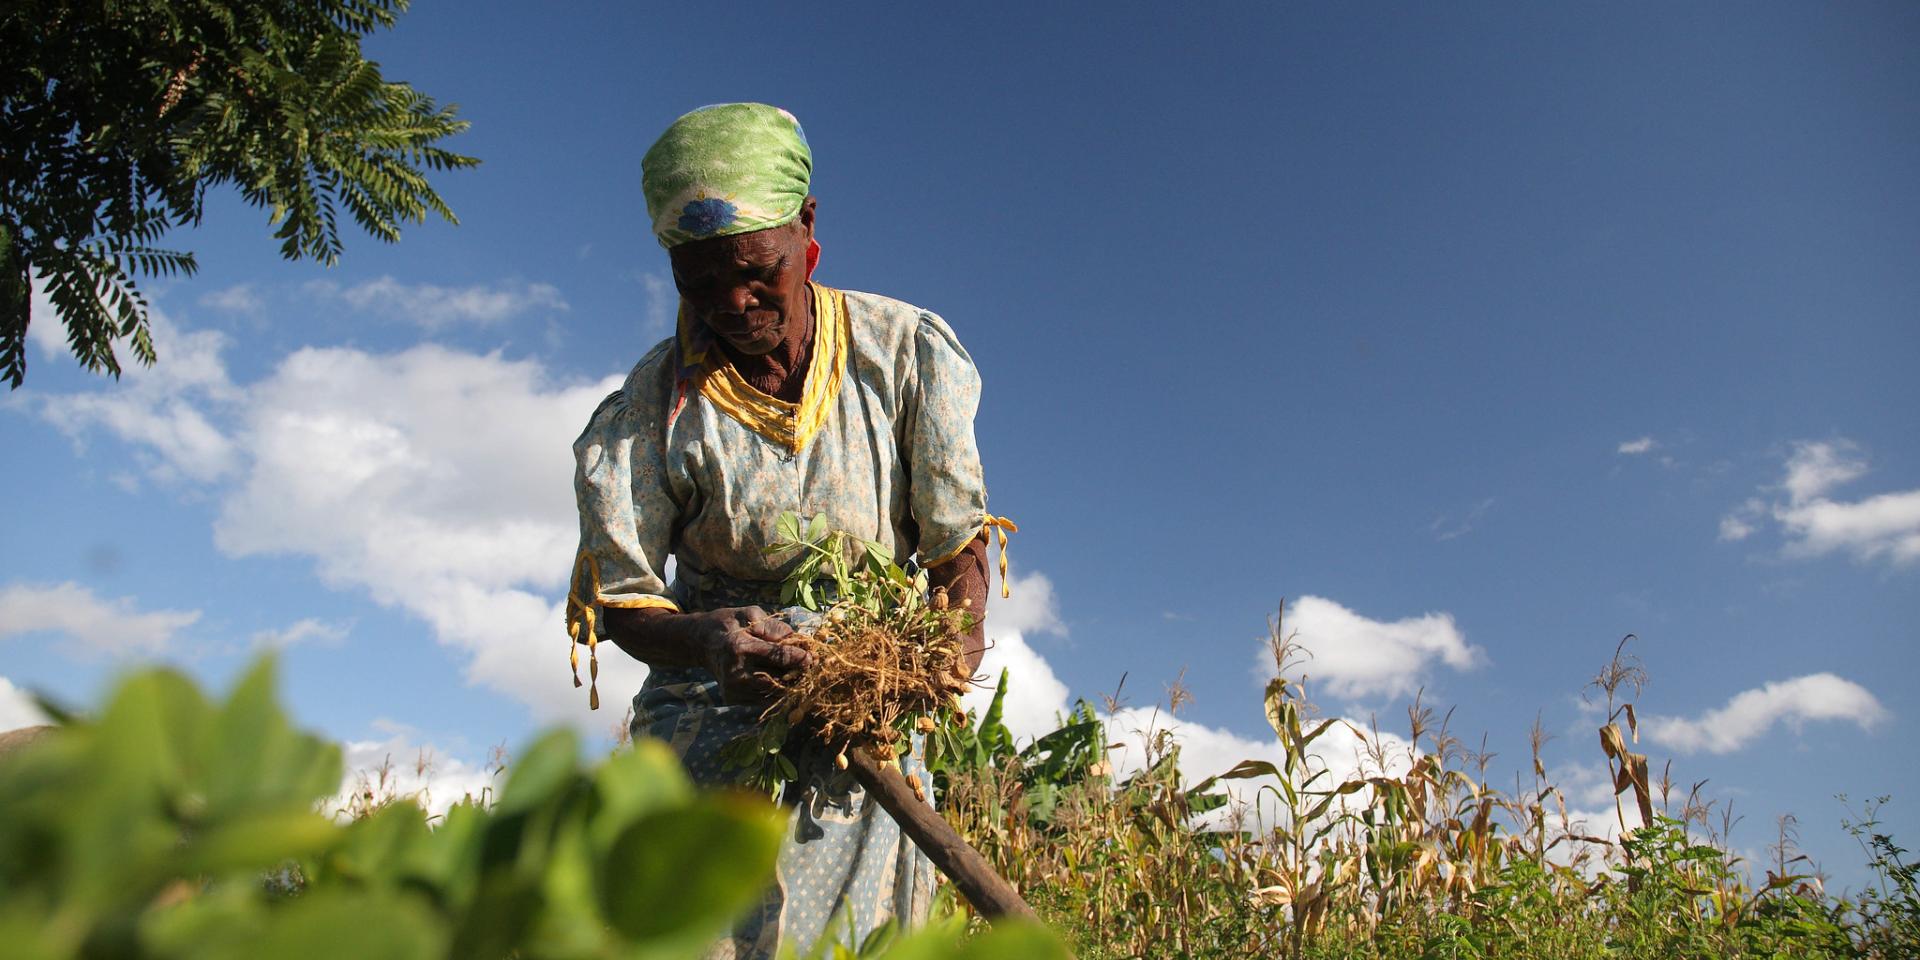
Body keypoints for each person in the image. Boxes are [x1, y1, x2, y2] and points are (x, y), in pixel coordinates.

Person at [565, 103, 1009, 958]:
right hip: (709, 722)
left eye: (756, 270)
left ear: (807, 228)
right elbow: (621, 601)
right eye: (698, 283)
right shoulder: (649, 409)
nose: (733, 303)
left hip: (865, 718)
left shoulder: (904, 353)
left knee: (848, 942)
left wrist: (929, 663)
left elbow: (958, 554)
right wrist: (708, 639)